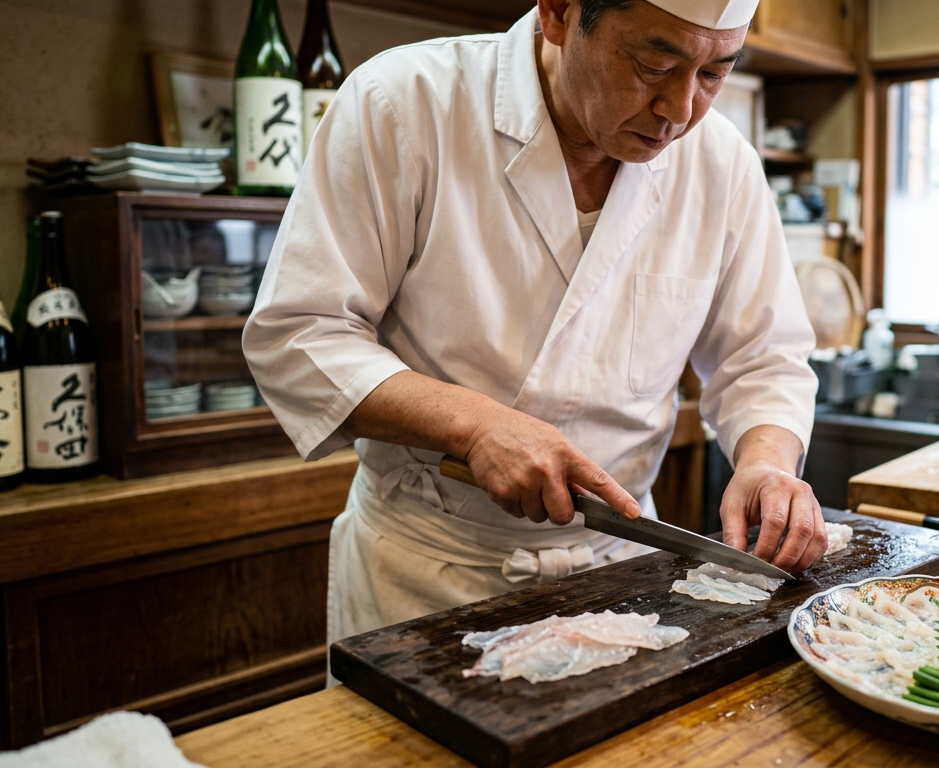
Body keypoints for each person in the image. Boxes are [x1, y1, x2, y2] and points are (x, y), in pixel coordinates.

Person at [242, 0, 824, 658]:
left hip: (623, 565)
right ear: (557, 13)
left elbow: (765, 359)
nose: (681, 110)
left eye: (714, 73)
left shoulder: (722, 164)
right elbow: (298, 335)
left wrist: (769, 464)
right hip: (427, 569)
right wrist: (474, 424)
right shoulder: (403, 104)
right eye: (654, 64)